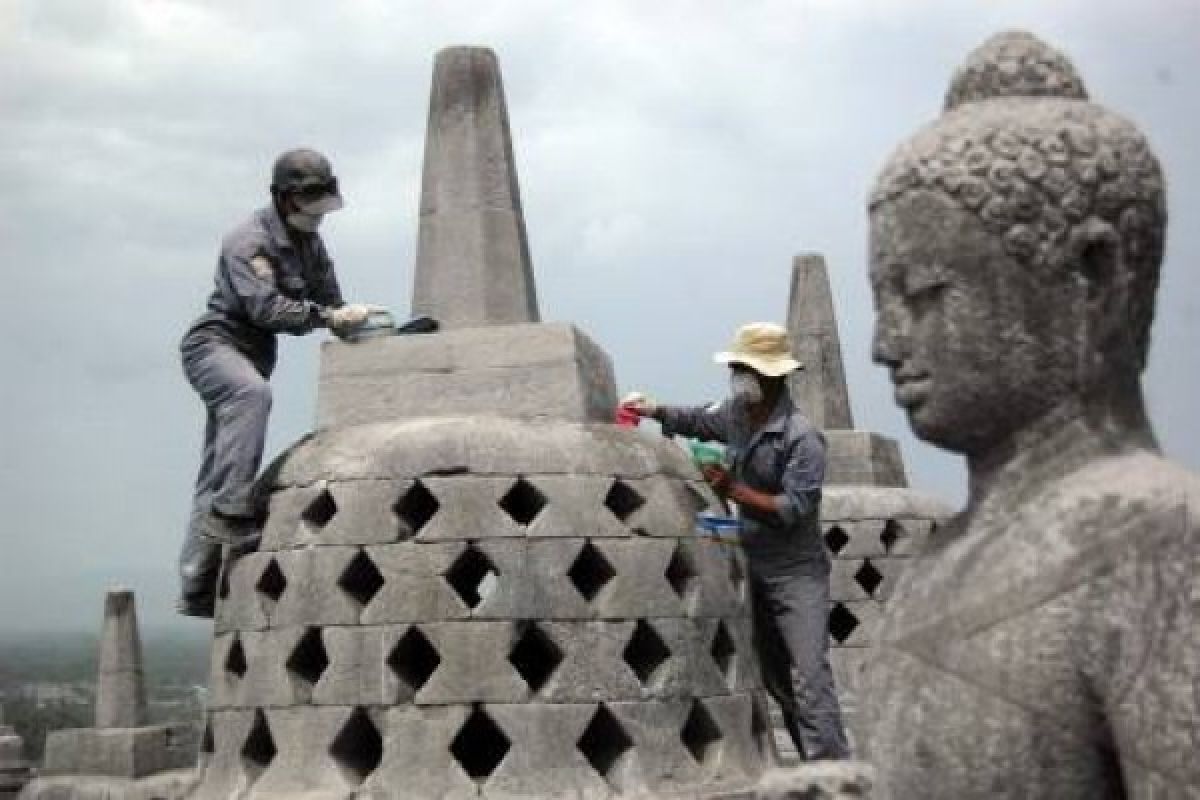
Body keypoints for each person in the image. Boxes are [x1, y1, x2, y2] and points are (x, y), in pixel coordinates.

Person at [862, 31, 1199, 798]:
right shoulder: (932, 564)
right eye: (881, 303)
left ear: (1092, 278)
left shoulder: (1156, 540)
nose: (885, 345)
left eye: (923, 295)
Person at [623, 322, 850, 761]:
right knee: (776, 678)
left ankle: (835, 771)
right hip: (752, 563)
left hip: (796, 571)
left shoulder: (802, 438)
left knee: (810, 674)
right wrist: (652, 409)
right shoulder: (736, 416)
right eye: (738, 367)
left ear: (770, 376)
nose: (738, 376)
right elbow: (696, 420)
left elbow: (793, 507)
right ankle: (812, 766)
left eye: (744, 368)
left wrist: (733, 491)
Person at [176, 148, 380, 618]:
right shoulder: (246, 242)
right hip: (215, 347)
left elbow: (330, 300)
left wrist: (357, 322)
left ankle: (197, 583)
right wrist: (326, 316)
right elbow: (265, 308)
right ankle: (231, 515)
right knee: (251, 397)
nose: (318, 217)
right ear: (284, 198)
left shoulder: (311, 244)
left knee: (220, 464)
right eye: (310, 204)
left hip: (253, 355)